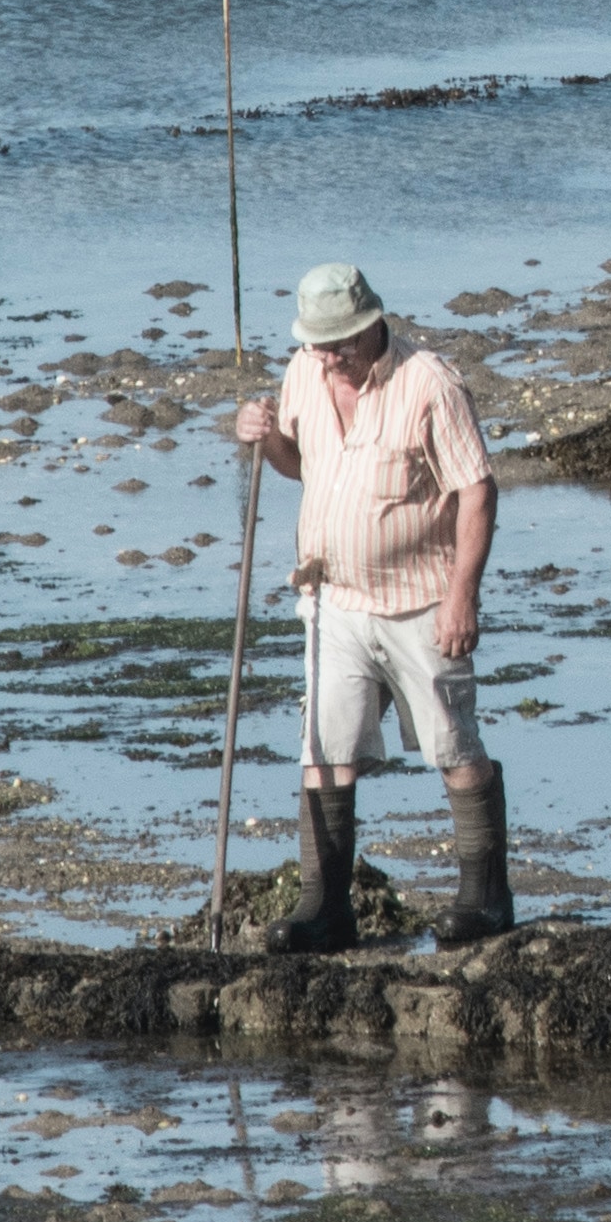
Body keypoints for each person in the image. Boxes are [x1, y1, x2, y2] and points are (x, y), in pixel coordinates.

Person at [223, 260, 508, 952]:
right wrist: (266, 440)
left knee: (451, 745)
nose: (331, 357)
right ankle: (325, 908)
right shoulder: (303, 371)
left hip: (420, 600)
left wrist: (462, 597)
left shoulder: (428, 383)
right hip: (332, 599)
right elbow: (304, 464)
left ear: (373, 323)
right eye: (320, 344)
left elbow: (477, 490)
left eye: (342, 343)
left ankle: (486, 901)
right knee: (325, 749)